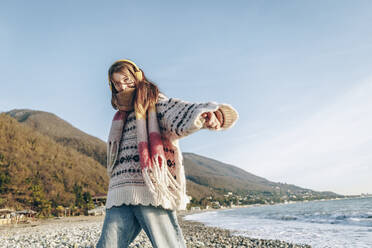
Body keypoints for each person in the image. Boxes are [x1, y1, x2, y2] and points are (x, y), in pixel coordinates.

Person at [96, 59, 239, 248]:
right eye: (116, 83)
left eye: (126, 79)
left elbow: (176, 111)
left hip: (151, 190)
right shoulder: (119, 116)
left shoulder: (154, 103)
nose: (121, 86)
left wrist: (208, 114)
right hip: (120, 191)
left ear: (137, 77)